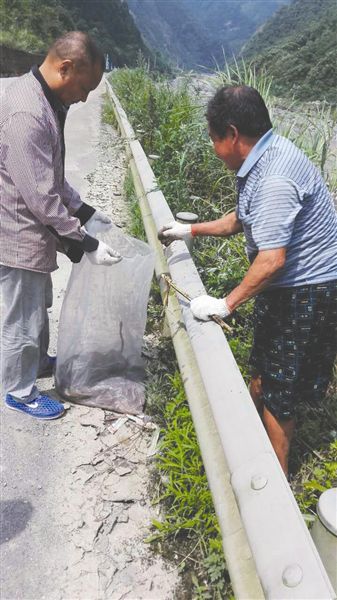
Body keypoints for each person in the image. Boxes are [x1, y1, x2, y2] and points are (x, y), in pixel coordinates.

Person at [159, 85, 337, 477]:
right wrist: (189, 232)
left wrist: (226, 303)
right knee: (268, 366)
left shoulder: (274, 177)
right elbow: (241, 219)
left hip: (305, 289)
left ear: (233, 134)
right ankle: (253, 429)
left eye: (213, 138)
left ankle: (275, 484)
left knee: (280, 387)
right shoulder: (266, 156)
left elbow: (273, 260)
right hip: (297, 285)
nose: (212, 147)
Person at [0, 32, 122, 420]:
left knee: (37, 304)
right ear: (66, 68)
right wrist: (86, 243)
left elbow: (51, 176)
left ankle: (34, 363)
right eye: (84, 87)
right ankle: (19, 391)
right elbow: (41, 197)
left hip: (31, 229)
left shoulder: (46, 100)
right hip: (17, 233)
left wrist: (85, 211)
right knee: (21, 316)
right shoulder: (28, 113)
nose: (85, 98)